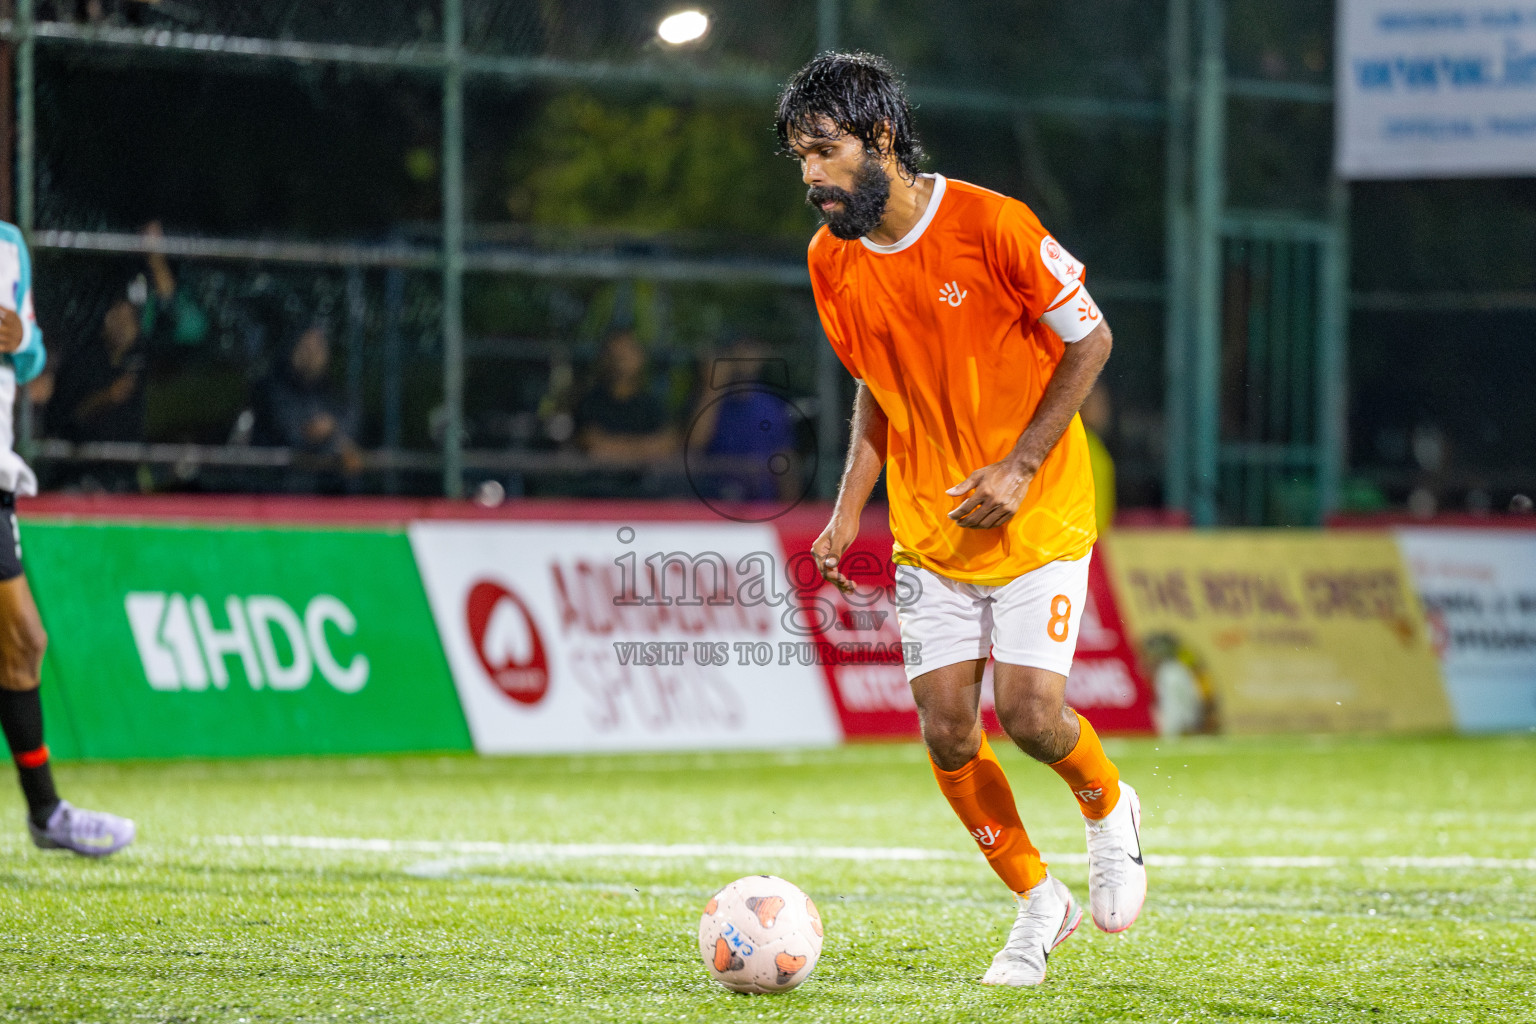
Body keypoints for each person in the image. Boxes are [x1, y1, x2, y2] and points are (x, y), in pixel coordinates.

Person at [779, 52, 1143, 986]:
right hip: (931, 532)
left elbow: (1092, 338)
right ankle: (1039, 901)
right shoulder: (830, 260)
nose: (813, 176)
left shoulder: (992, 224)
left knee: (1029, 714)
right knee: (946, 730)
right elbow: (878, 384)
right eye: (801, 158)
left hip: (1037, 515)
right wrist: (846, 511)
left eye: (826, 151)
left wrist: (1020, 466)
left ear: (881, 138)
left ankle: (1109, 809)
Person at [0, 220, 135, 856]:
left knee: (22, 643)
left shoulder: (9, 247)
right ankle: (46, 812)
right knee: (21, 639)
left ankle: (47, 815)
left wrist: (22, 339)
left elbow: (31, 359)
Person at [251, 320, 363, 492]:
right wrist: (331, 438)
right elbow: (292, 436)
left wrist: (333, 434)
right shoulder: (270, 390)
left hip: (328, 491)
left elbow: (350, 429)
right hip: (278, 490)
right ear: (292, 350)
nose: (311, 355)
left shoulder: (334, 394)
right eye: (306, 347)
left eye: (318, 347)